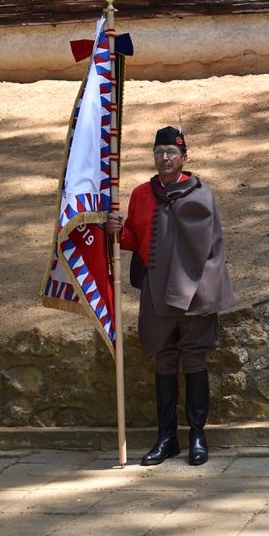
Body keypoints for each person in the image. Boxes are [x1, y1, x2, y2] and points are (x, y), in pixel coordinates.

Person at [106, 126, 235, 466]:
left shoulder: (201, 194)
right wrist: (119, 232)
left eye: (171, 153)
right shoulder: (142, 194)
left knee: (194, 360)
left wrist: (205, 290)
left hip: (195, 292)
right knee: (163, 361)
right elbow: (136, 239)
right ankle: (166, 439)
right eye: (159, 152)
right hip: (157, 289)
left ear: (184, 157)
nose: (164, 158)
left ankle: (197, 435)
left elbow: (210, 249)